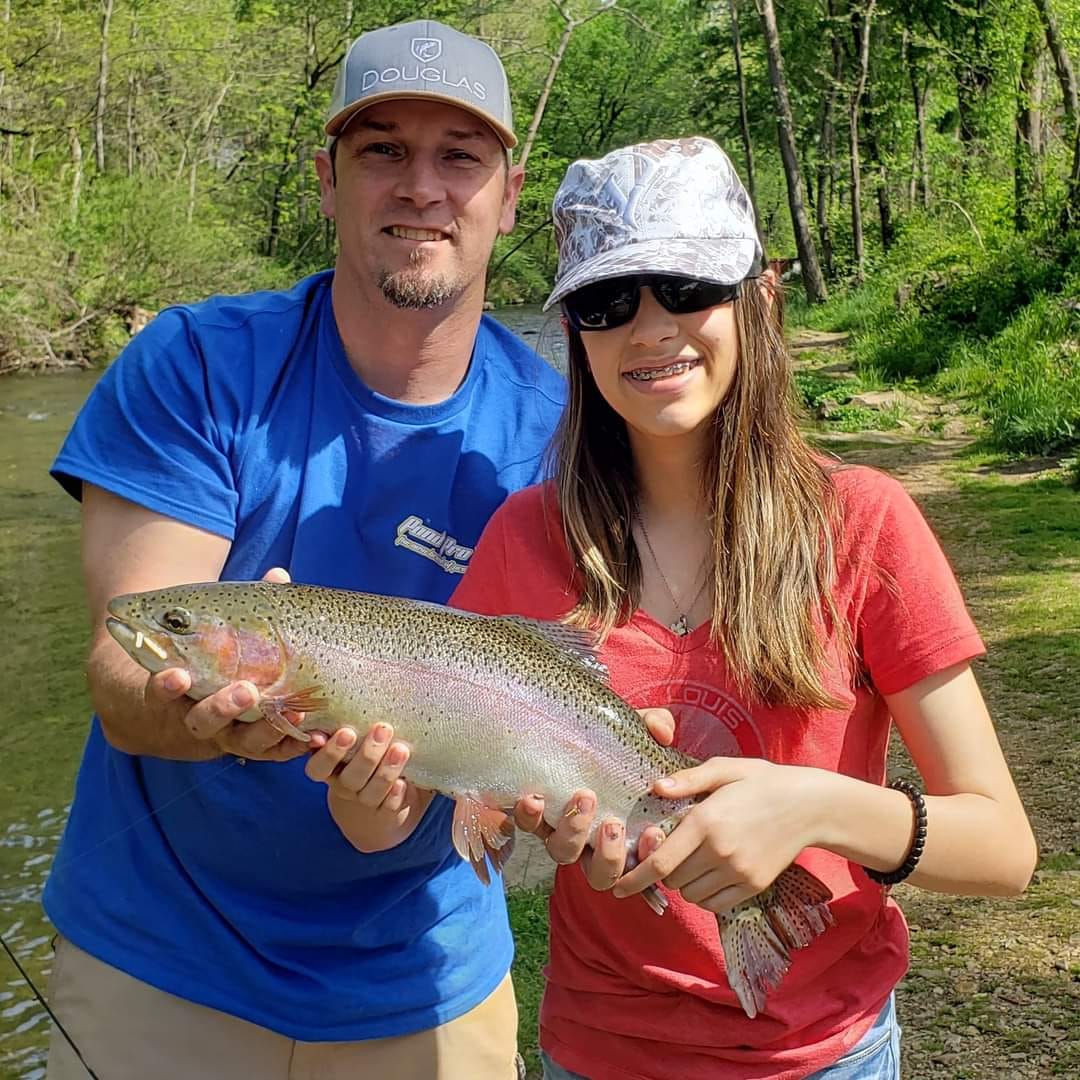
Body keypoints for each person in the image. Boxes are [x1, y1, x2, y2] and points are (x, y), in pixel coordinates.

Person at [443, 137, 1037, 1078]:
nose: (650, 330)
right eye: (608, 302)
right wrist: (525, 817)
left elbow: (1003, 849)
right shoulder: (524, 537)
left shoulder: (865, 524)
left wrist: (814, 807)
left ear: (760, 300)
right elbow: (473, 793)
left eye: (687, 286)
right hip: (599, 1054)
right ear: (577, 336)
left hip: (827, 1054)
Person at [44, 20, 570, 1080]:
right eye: (382, 150)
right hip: (162, 959)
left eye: (459, 156)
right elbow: (124, 661)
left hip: (426, 968)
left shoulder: (561, 436)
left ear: (509, 196)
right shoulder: (193, 364)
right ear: (329, 182)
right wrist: (215, 722)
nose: (420, 186)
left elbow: (552, 700)